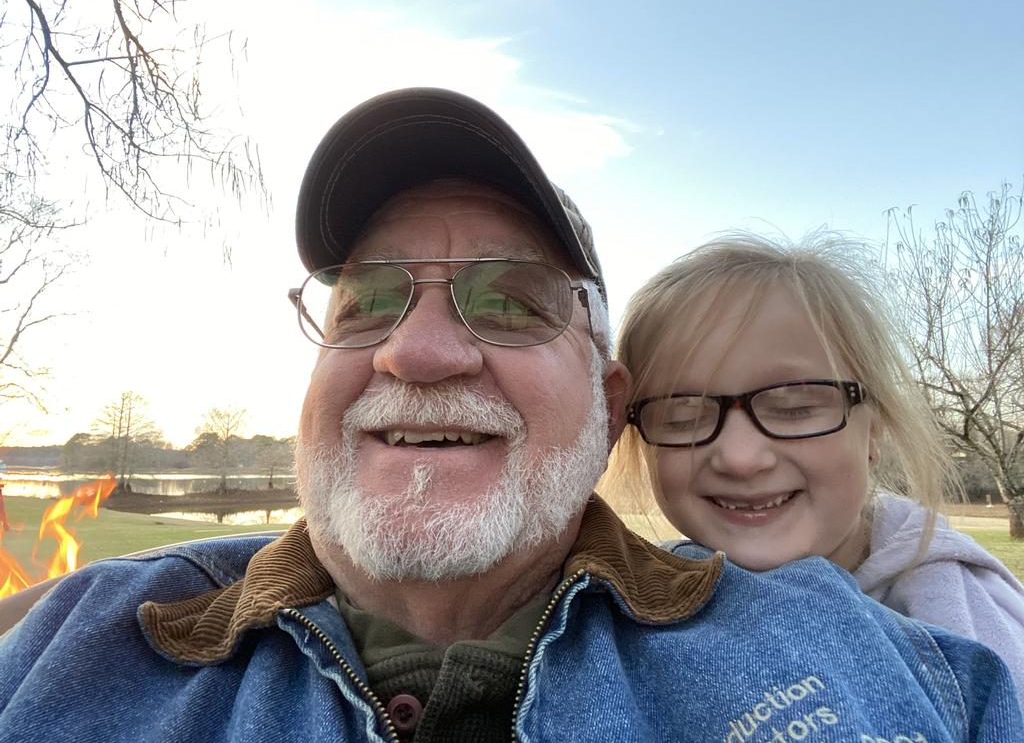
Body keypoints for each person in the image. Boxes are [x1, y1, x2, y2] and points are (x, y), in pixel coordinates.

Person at [0, 90, 1021, 742]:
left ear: (607, 405)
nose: (419, 349)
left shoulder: (890, 662)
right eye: (368, 301)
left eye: (511, 300)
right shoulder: (69, 645)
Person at [612, 232, 1024, 702]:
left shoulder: (971, 630)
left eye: (795, 407)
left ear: (873, 431)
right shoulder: (631, 609)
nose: (741, 458)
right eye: (681, 416)